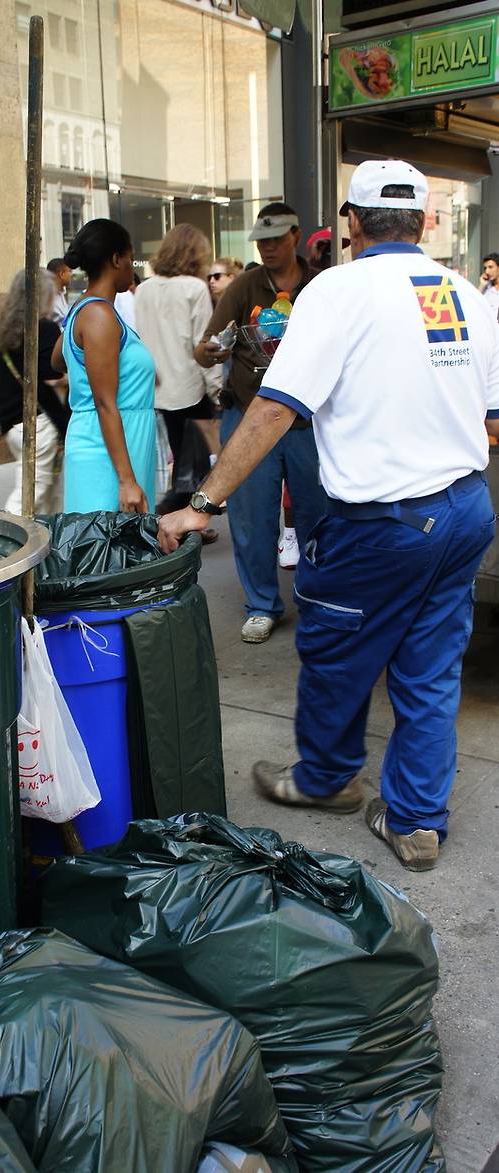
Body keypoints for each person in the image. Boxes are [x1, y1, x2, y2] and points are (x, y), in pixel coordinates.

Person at [159, 158, 499, 872]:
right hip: (466, 509)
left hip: (384, 522)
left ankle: (326, 778)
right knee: (431, 670)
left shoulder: (338, 291)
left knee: (335, 652)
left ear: (351, 222)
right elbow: (492, 419)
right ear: (425, 222)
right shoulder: (466, 294)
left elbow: (277, 407)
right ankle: (415, 823)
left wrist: (202, 503)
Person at [194, 201, 326, 643]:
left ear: (295, 236)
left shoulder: (321, 284)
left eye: (275, 239)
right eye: (261, 241)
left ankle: (315, 597)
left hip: (309, 420)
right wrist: (212, 349)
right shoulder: (247, 285)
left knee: (318, 514)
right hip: (250, 413)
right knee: (251, 517)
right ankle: (262, 604)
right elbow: (206, 344)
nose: (268, 247)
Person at [58, 218, 156, 514]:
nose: (132, 267)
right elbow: (104, 401)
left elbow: (58, 357)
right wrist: (126, 480)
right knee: (106, 553)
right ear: (116, 259)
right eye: (130, 257)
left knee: (119, 552)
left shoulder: (85, 309)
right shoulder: (98, 314)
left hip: (117, 442)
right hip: (108, 451)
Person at [135, 223, 220, 532]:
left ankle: (180, 519)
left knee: (182, 461)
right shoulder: (194, 288)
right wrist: (218, 387)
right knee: (194, 464)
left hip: (155, 388)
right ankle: (176, 521)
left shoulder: (143, 289)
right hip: (189, 387)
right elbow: (202, 344)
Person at [0, 268, 67, 516]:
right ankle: (7, 545)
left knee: (46, 494)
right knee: (28, 497)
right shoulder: (46, 328)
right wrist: (71, 377)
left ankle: (46, 546)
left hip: (12, 425)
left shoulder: (5, 330)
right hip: (39, 425)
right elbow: (52, 378)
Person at [47, 257, 72, 323]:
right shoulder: (48, 298)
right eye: (69, 271)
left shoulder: (61, 293)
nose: (71, 275)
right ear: (62, 274)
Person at [479, 252, 499, 317]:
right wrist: (481, 286)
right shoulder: (485, 289)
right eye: (485, 268)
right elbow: (474, 306)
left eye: (490, 267)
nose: (487, 272)